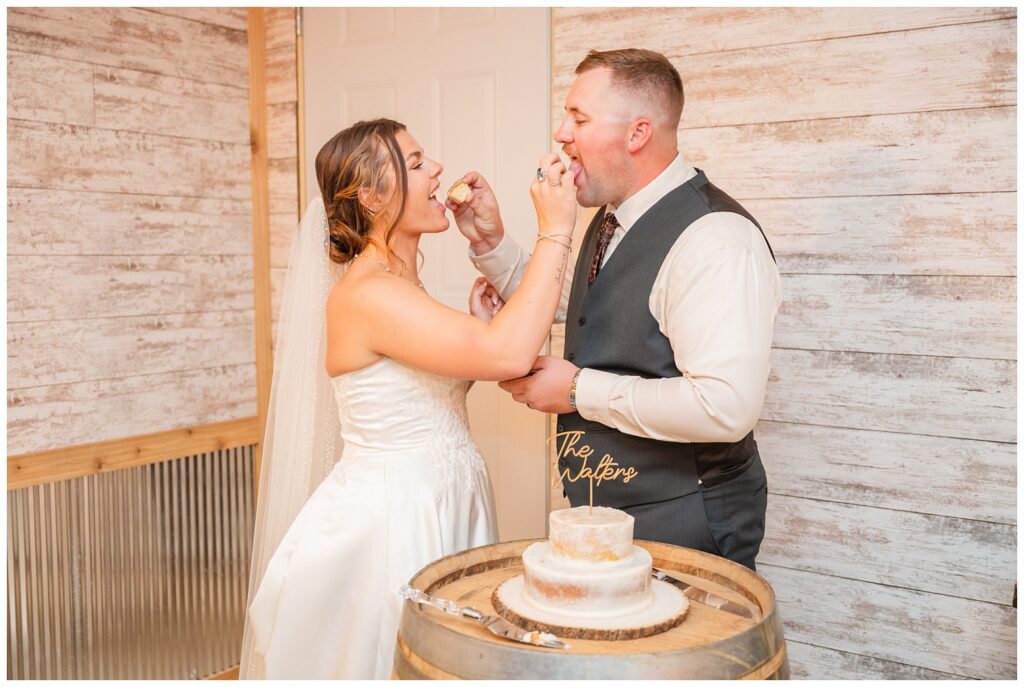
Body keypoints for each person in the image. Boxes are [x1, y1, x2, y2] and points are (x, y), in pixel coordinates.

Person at [239, 118, 577, 679]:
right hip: (396, 518)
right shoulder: (369, 293)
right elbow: (510, 355)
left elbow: (425, 395)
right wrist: (555, 229)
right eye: (416, 163)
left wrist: (475, 337)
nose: (437, 168)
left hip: (442, 496)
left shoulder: (401, 287)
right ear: (372, 197)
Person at [453, 49, 782, 571]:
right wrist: (493, 244)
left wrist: (579, 390)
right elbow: (586, 307)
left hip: (686, 516)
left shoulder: (716, 240)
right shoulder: (611, 218)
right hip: (608, 506)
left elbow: (726, 406)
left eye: (579, 118)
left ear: (637, 134)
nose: (561, 133)